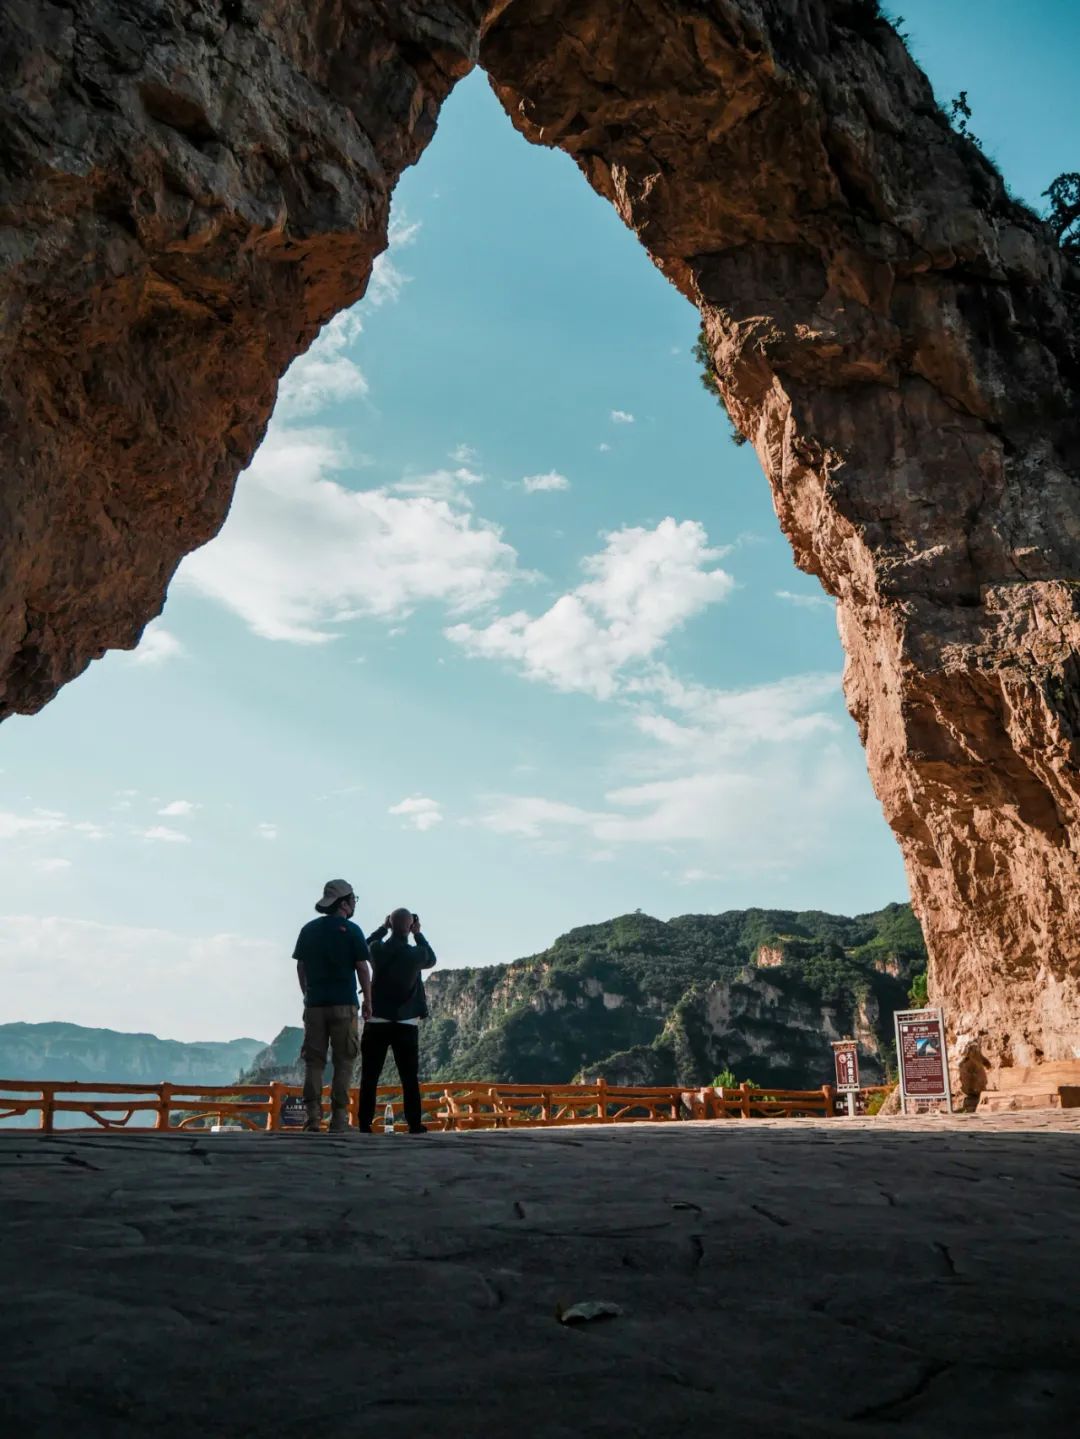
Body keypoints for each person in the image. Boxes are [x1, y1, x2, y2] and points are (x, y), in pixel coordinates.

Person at [293, 879, 372, 1133]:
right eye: (353, 899)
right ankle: (339, 1119)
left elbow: (301, 966)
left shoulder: (308, 930)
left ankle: (312, 1119)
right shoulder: (352, 931)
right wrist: (368, 1001)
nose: (354, 904)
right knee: (344, 1060)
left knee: (313, 1063)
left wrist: (308, 995)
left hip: (315, 1006)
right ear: (345, 903)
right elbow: (362, 967)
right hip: (344, 1005)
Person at [359, 908, 437, 1134]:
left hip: (377, 1020)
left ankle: (365, 1124)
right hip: (406, 1023)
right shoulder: (416, 954)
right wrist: (418, 934)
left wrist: (383, 928)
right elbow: (431, 958)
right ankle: (414, 1124)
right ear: (410, 926)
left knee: (370, 1076)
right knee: (409, 1078)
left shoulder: (377, 949)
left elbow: (364, 945)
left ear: (391, 925)